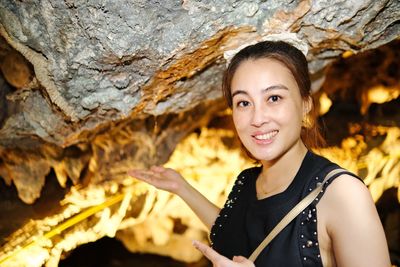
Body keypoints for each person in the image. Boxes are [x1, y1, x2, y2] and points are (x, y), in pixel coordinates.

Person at [128, 40, 391, 266]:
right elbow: (233, 232)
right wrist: (181, 188)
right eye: (243, 103)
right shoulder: (248, 182)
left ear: (305, 105)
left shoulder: (342, 195)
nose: (257, 118)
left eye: (274, 98)